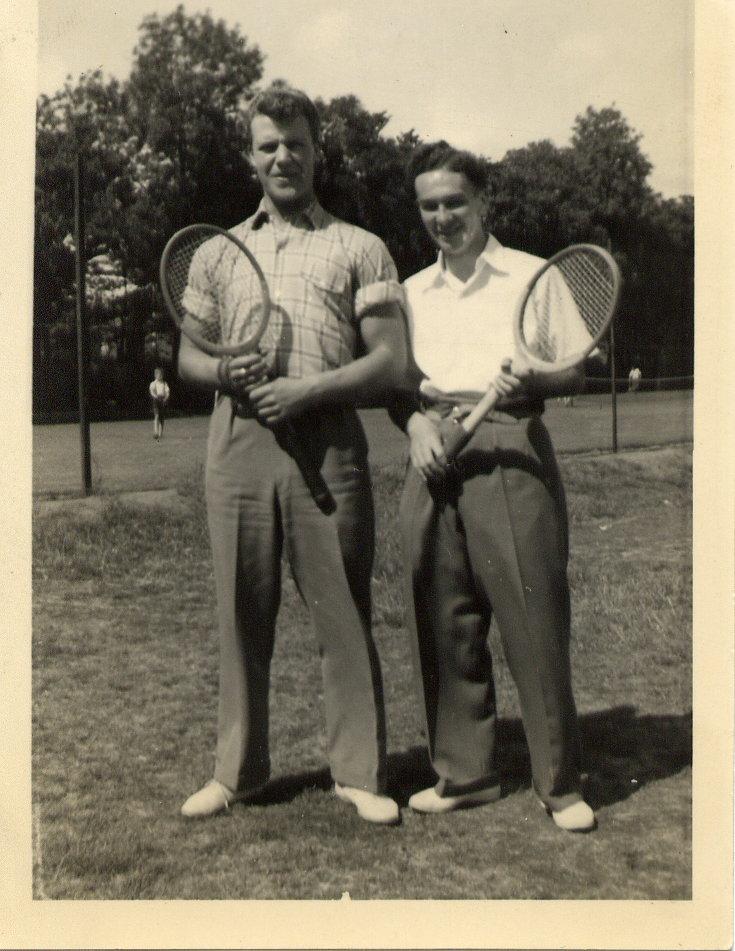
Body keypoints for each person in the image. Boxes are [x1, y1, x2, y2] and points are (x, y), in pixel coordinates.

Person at [177, 86, 407, 824]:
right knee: (242, 613)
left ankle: (359, 773)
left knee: (342, 611)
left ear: (317, 152)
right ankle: (236, 773)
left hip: (328, 441)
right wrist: (224, 372)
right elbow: (189, 356)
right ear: (251, 156)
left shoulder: (359, 246)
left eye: (296, 143)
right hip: (238, 442)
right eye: (269, 145)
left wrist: (306, 393)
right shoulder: (215, 252)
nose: (283, 156)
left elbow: (390, 364)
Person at [391, 141, 596, 832]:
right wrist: (417, 425)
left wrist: (533, 379)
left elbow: (571, 370)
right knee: (441, 618)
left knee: (532, 617)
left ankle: (559, 785)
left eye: (455, 201)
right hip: (434, 452)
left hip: (510, 443)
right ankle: (465, 772)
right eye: (429, 205)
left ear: (482, 201)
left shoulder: (532, 276)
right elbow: (399, 384)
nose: (443, 216)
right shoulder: (411, 292)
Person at [149, 367, 170, 441]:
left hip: (163, 400)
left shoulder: (164, 383)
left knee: (162, 418)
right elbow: (152, 392)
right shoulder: (153, 383)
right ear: (155, 375)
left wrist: (166, 398)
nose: (160, 376)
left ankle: (161, 433)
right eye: (158, 374)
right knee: (156, 415)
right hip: (156, 400)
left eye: (161, 374)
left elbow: (167, 392)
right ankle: (156, 432)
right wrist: (156, 397)